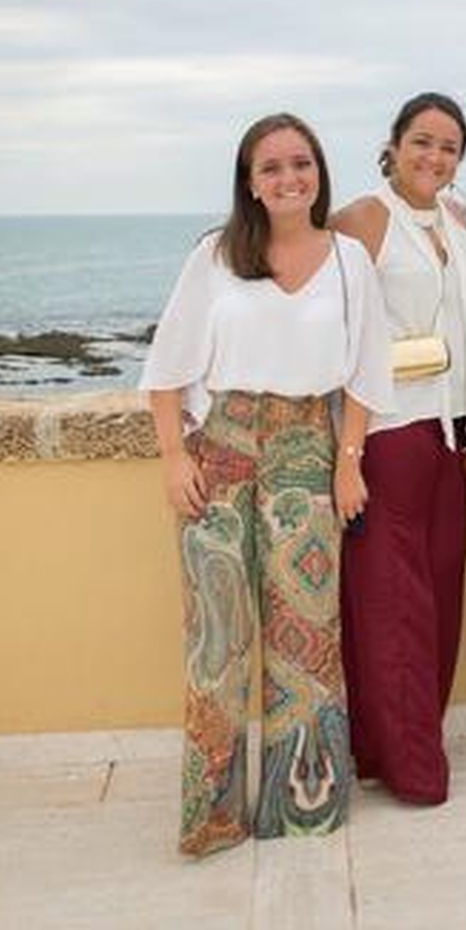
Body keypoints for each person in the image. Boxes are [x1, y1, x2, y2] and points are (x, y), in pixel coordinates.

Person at [141, 113, 394, 857]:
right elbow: (167, 368)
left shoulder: (349, 259)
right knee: (216, 641)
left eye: (301, 164)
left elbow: (369, 370)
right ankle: (212, 815)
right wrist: (172, 457)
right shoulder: (215, 256)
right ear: (249, 181)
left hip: (307, 451)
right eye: (272, 166)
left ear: (319, 173)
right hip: (219, 448)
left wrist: (348, 461)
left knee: (308, 639)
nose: (289, 178)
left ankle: (303, 805)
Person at [329, 92, 466, 805]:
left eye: (449, 146)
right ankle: (411, 764)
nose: (434, 156)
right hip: (388, 433)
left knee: (443, 598)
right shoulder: (363, 218)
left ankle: (390, 744)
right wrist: (348, 454)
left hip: (451, 433)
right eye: (422, 141)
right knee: (396, 606)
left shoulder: (460, 215)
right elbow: (329, 321)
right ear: (392, 144)